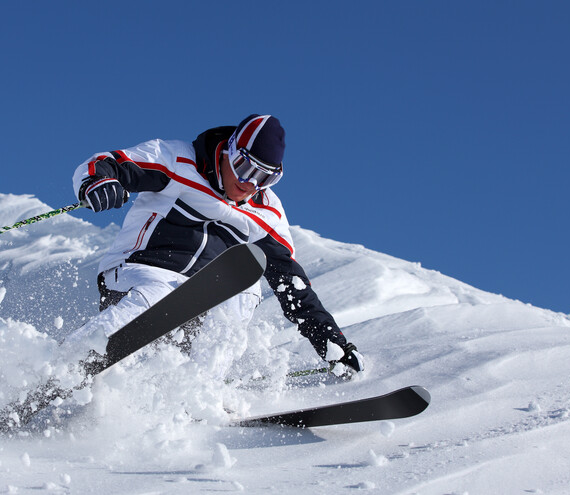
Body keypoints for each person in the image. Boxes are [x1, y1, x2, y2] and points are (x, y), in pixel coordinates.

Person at [66, 114, 364, 379]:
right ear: (230, 150)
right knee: (158, 293)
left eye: (265, 177)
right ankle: (67, 363)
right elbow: (106, 163)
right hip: (141, 273)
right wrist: (96, 182)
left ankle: (200, 388)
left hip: (202, 301)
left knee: (247, 283)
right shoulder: (178, 161)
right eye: (245, 167)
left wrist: (332, 342)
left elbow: (294, 286)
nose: (250, 183)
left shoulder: (267, 212)